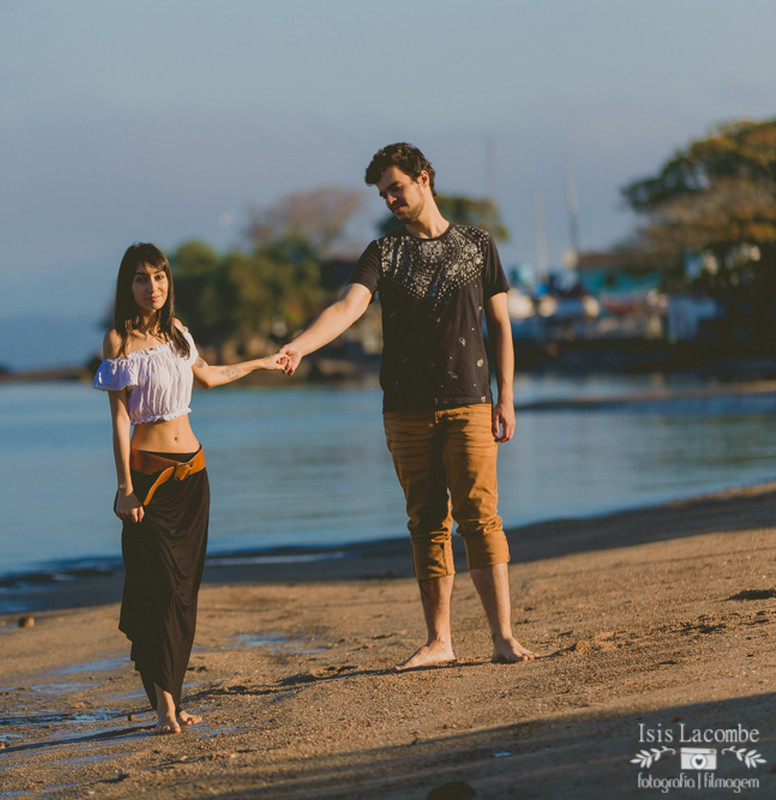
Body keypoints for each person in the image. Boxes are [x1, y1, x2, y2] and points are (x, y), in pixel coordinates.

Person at [278, 143, 536, 670]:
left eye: (396, 188)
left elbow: (501, 325)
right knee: (426, 522)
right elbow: (348, 307)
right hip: (404, 410)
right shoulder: (383, 253)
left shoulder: (478, 245)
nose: (390, 199)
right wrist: (301, 346)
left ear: (423, 179)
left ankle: (503, 638)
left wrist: (507, 396)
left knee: (481, 519)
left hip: (470, 402)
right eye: (383, 194)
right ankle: (439, 641)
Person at [94, 242, 284, 733]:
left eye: (159, 277)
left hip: (194, 477)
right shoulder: (118, 341)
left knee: (183, 593)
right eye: (141, 278)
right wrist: (124, 487)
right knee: (157, 589)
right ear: (128, 285)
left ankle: (173, 699)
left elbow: (211, 377)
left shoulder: (178, 332)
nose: (152, 287)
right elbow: (119, 420)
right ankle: (164, 708)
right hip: (150, 481)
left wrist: (261, 363)